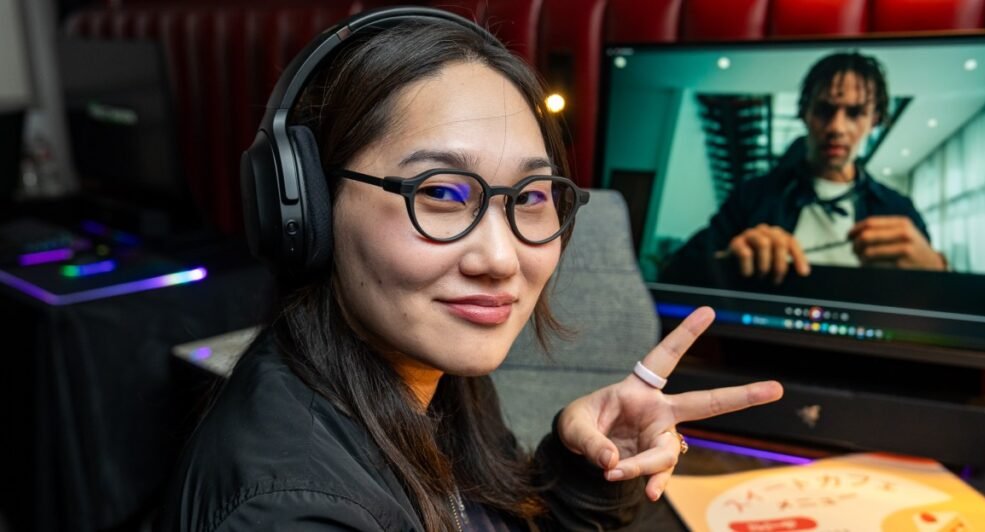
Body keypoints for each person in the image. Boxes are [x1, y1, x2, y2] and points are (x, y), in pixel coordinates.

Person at [159, 9, 783, 531]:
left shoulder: (427, 373)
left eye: (531, 196)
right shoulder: (293, 511)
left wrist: (587, 470)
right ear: (311, 211)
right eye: (440, 192)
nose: (501, 259)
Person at [660, 52, 946, 285]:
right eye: (824, 110)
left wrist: (936, 269)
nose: (837, 127)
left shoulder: (898, 209)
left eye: (855, 112)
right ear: (804, 112)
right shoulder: (753, 196)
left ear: (875, 120)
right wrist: (729, 260)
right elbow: (674, 274)